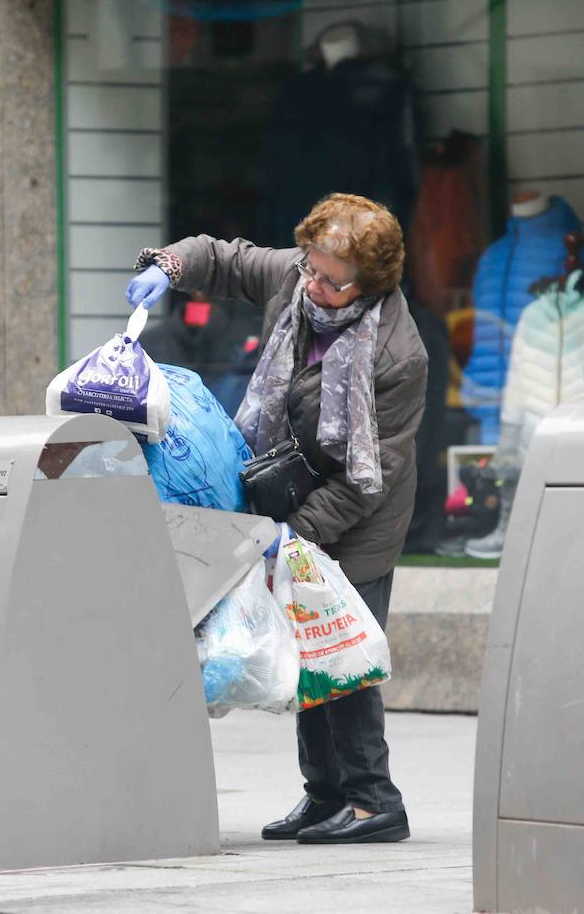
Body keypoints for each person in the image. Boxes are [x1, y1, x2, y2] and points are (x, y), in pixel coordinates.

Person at [126, 193, 428, 844]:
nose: (313, 285)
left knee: (340, 654)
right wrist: (168, 267)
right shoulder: (296, 278)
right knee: (304, 653)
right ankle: (323, 797)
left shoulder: (399, 355)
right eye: (311, 267)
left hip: (360, 513)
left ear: (370, 285)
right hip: (292, 493)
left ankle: (376, 802)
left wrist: (301, 534)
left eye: (330, 280)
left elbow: (369, 478)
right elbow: (222, 259)